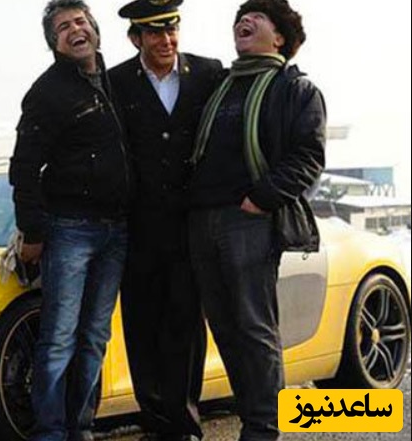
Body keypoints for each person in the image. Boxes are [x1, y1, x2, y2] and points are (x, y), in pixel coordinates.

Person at [186, 0, 326, 440]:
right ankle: (252, 415)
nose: (243, 21)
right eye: (240, 18)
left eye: (256, 17)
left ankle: (264, 427)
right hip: (203, 219)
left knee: (253, 326)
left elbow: (308, 157)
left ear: (280, 37)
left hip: (249, 220)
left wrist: (260, 199)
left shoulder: (295, 90)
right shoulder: (219, 85)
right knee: (225, 328)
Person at [8, 1, 130, 440]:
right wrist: (33, 231)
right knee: (59, 338)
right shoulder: (46, 93)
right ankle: (51, 433)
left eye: (80, 21)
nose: (74, 29)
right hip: (70, 230)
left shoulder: (120, 82)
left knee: (95, 336)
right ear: (53, 43)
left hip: (118, 229)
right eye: (62, 27)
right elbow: (24, 168)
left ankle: (81, 428)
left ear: (95, 29)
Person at [108, 1, 222, 440]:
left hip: (191, 228)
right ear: (135, 38)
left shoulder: (209, 73)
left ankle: (185, 425)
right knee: (141, 327)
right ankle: (155, 424)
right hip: (138, 230)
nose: (166, 40)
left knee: (186, 328)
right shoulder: (115, 82)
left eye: (172, 29)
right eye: (155, 33)